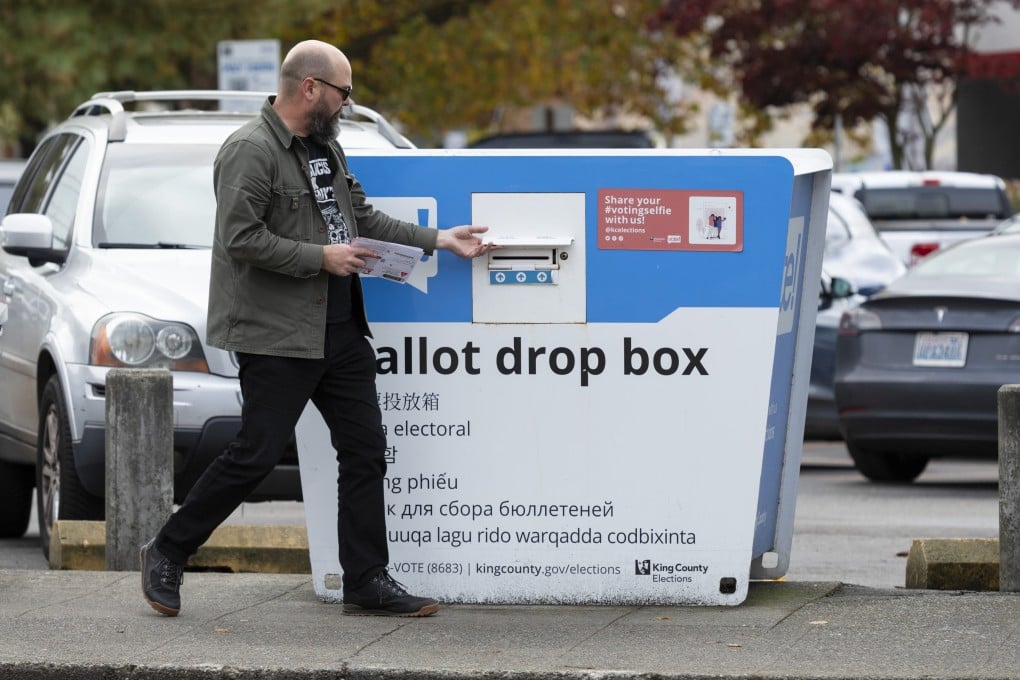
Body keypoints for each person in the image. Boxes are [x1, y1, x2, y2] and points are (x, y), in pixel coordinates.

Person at [140, 40, 492, 618]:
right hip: (277, 334)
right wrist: (320, 257)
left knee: (365, 451)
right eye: (343, 92)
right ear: (310, 88)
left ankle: (366, 580)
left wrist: (439, 239)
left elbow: (361, 217)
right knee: (255, 455)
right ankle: (168, 549)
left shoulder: (326, 148)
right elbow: (240, 238)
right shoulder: (250, 151)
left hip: (340, 329)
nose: (347, 103)